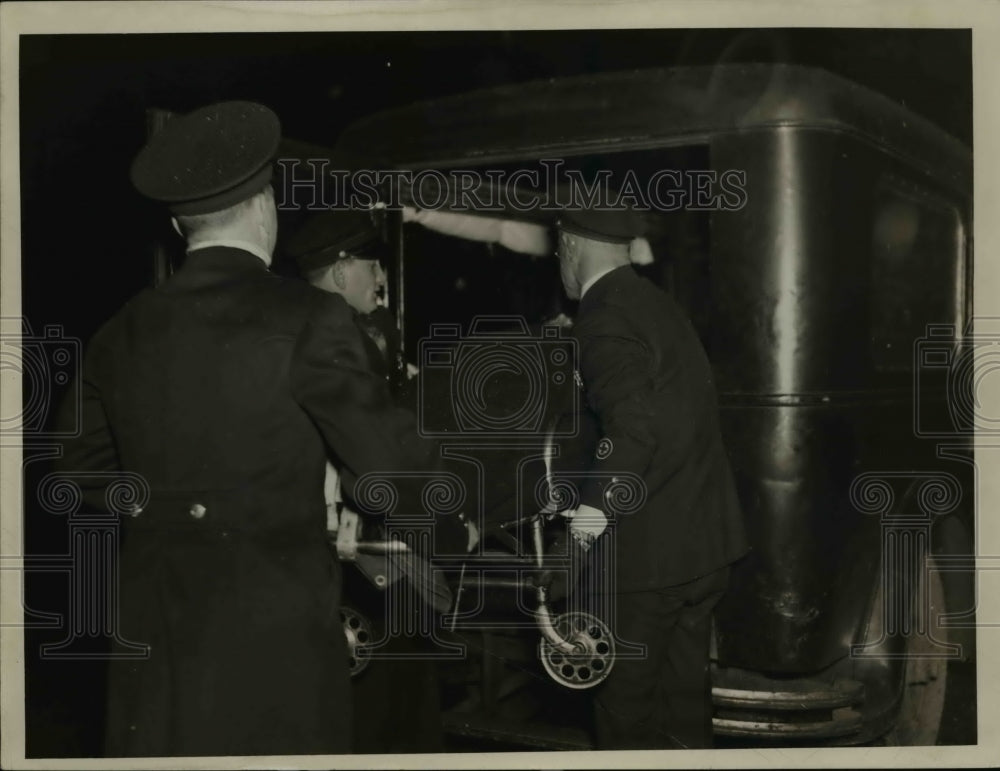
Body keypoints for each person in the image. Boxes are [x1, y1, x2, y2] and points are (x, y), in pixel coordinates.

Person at [54, 101, 451, 757]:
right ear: (264, 205)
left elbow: (76, 467)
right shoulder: (308, 317)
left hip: (155, 637)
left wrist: (176, 506)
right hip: (273, 638)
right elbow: (395, 471)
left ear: (181, 223)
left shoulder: (119, 330)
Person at [553, 205, 750, 750]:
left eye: (557, 250)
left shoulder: (603, 318)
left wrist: (581, 534)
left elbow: (633, 431)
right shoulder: (657, 305)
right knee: (683, 710)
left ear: (569, 245)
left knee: (625, 717)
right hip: (702, 547)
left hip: (644, 562)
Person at [285, 208, 460, 753]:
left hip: (377, 535)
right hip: (354, 541)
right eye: (372, 267)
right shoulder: (333, 340)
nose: (381, 280)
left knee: (400, 684)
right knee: (381, 697)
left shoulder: (362, 333)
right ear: (341, 273)